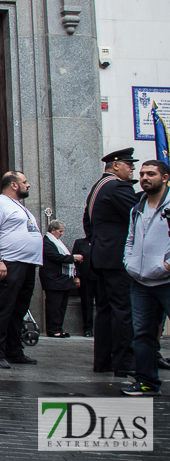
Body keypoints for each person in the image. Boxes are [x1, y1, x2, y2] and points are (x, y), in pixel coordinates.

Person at [84, 148, 141, 376]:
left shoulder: (98, 188)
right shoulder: (118, 186)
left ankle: (103, 361)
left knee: (106, 310)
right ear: (115, 165)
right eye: (129, 164)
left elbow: (87, 223)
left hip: (102, 256)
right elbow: (137, 215)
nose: (133, 168)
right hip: (118, 257)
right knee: (123, 310)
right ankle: (124, 363)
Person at [0, 171, 43, 369]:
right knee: (4, 308)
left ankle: (14, 351)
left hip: (26, 264)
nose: (29, 185)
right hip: (9, 263)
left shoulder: (18, 206)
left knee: (19, 310)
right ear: (14, 185)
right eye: (25, 182)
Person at [121, 160, 170, 395]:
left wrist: (167, 265)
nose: (144, 178)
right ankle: (146, 381)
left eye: (151, 174)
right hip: (140, 282)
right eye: (141, 174)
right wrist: (129, 262)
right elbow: (130, 238)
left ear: (165, 177)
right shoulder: (137, 207)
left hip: (166, 281)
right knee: (142, 334)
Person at [40, 221, 82, 338]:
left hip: (62, 278)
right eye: (60, 231)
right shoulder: (47, 242)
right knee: (54, 305)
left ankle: (58, 327)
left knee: (61, 305)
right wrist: (73, 257)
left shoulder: (57, 242)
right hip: (53, 278)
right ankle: (53, 329)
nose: (62, 234)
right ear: (53, 230)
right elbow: (55, 256)